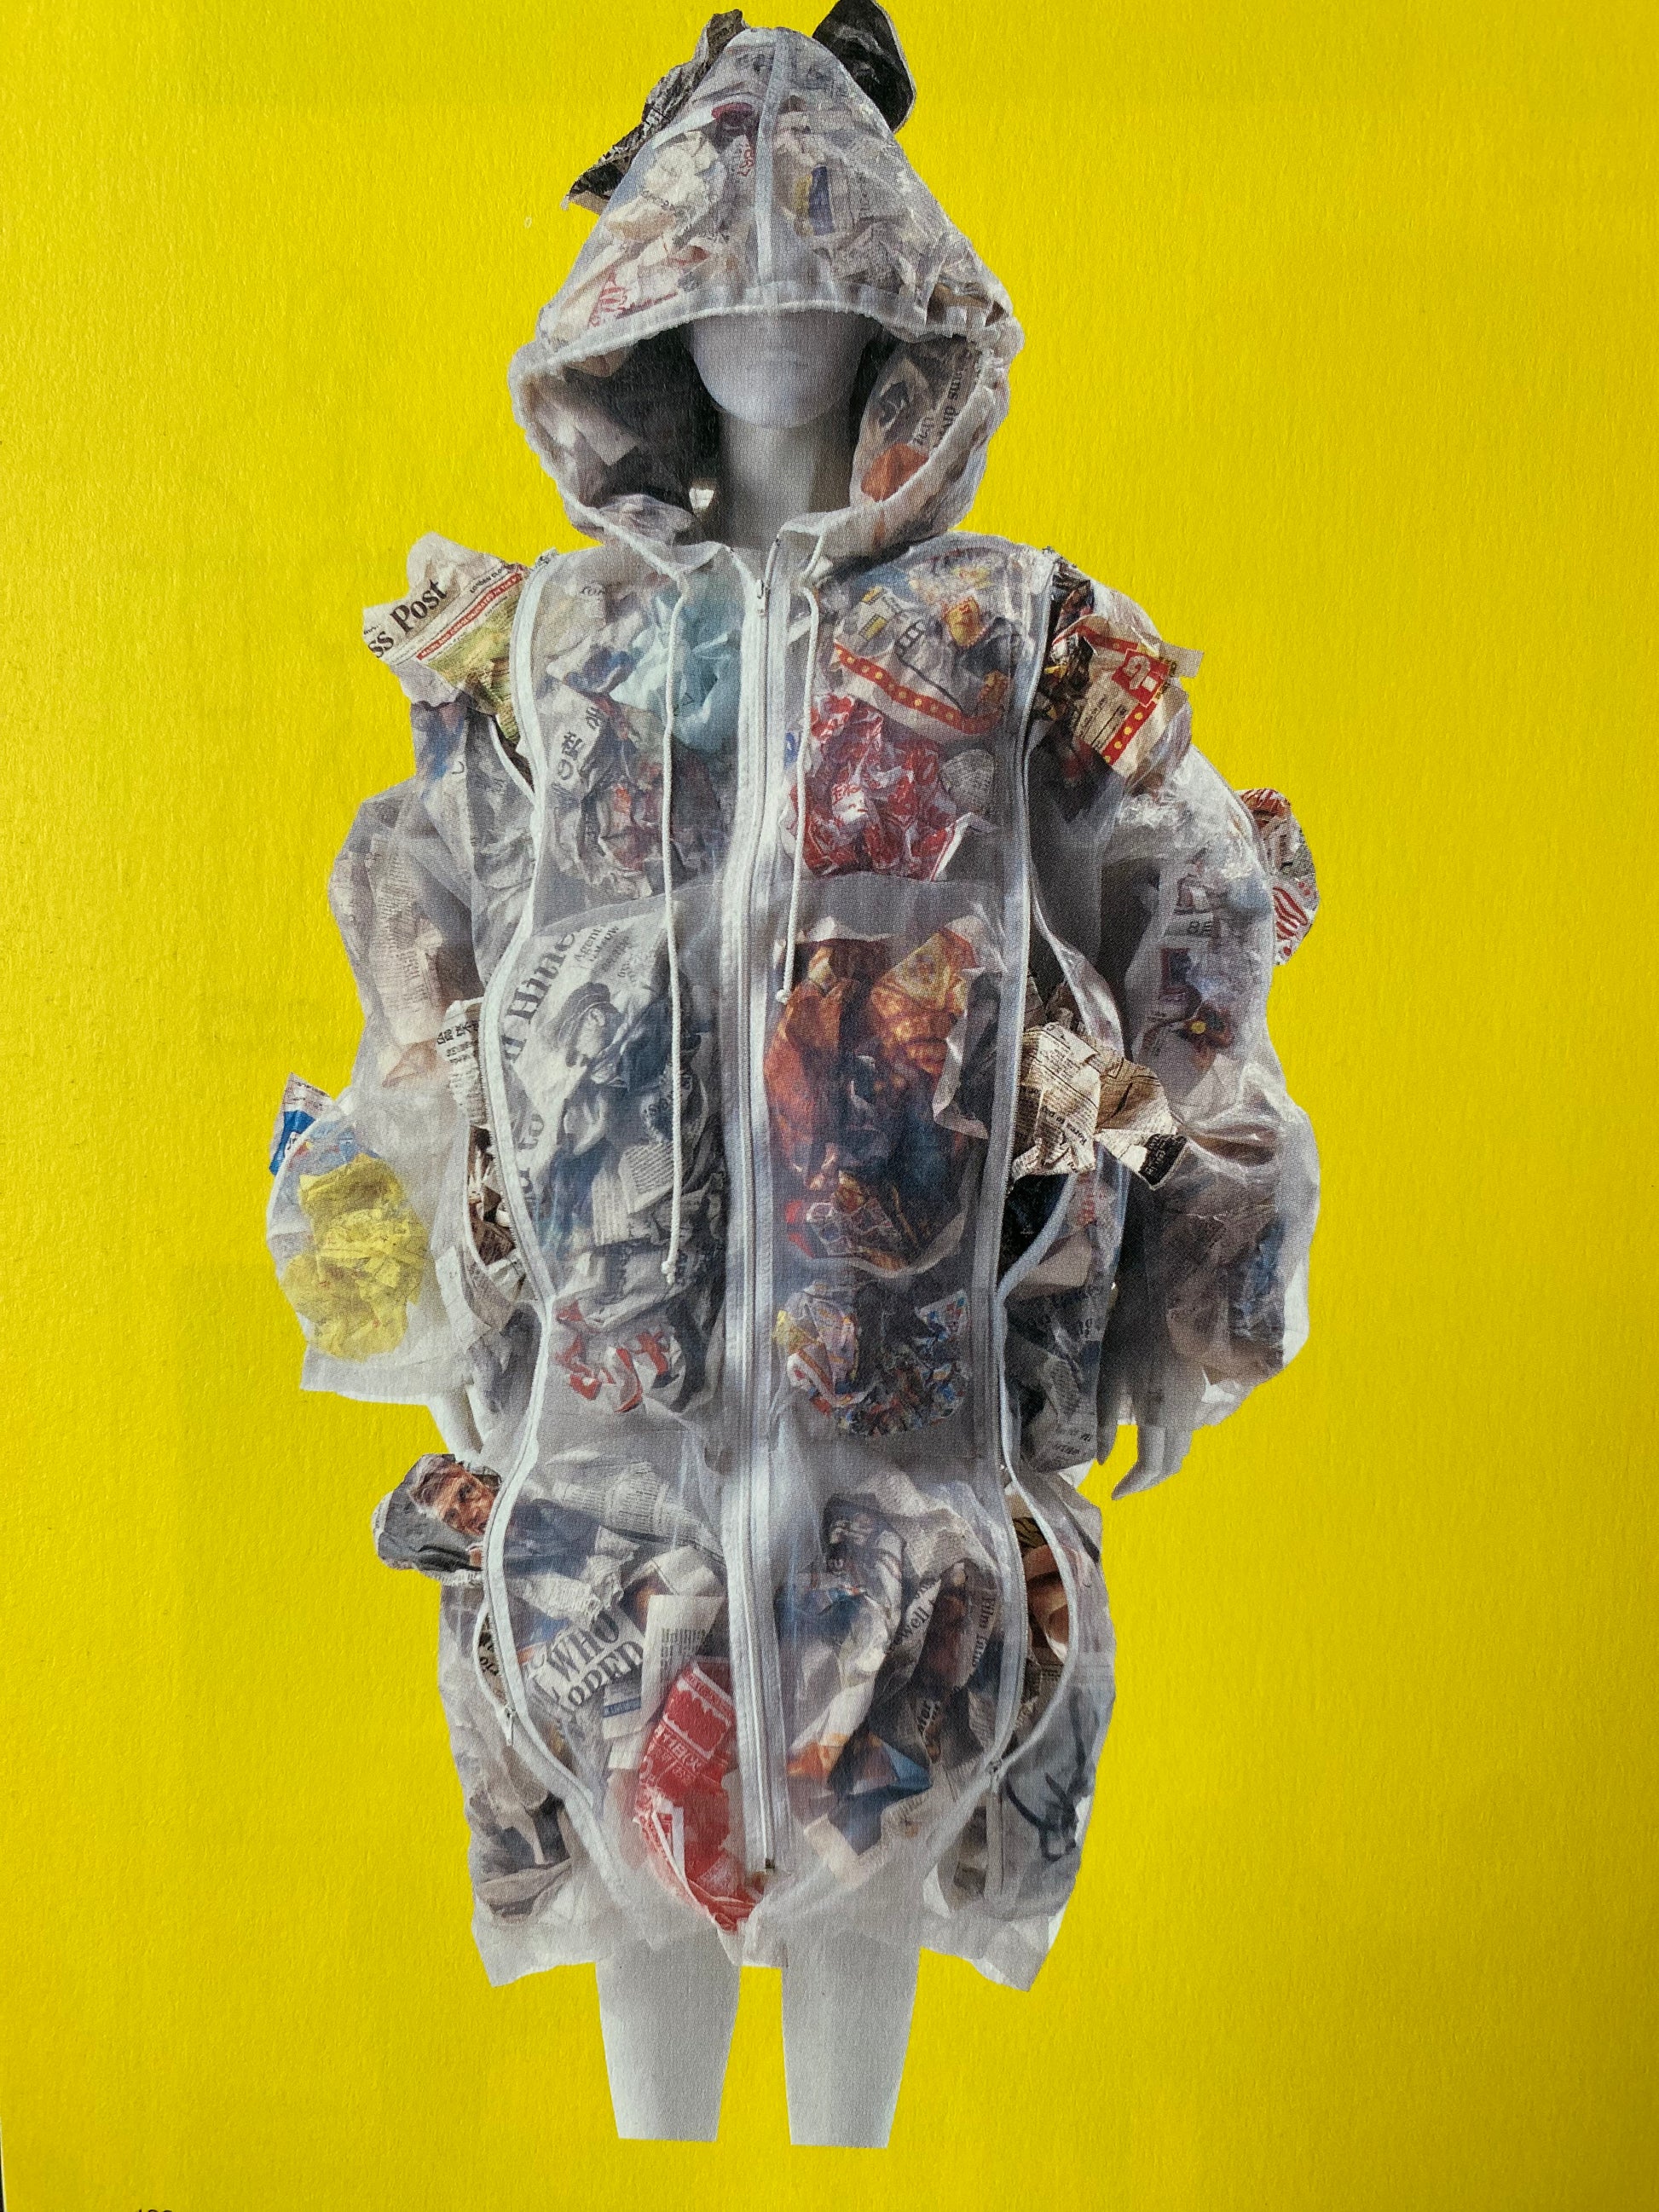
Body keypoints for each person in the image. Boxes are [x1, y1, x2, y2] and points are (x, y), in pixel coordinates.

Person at [269, 0, 1318, 2147]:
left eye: (819, 267)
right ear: (635, 311)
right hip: (602, 1451)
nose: (765, 309)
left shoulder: (1010, 634)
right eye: (712, 264)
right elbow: (421, 963)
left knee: (888, 1824)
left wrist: (1192, 1277)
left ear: (900, 314)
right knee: (622, 1819)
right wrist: (427, 1295)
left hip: (922, 1431)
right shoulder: (545, 649)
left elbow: (1197, 919)